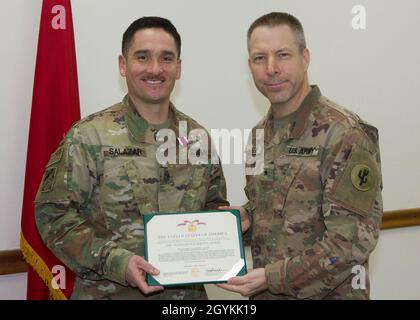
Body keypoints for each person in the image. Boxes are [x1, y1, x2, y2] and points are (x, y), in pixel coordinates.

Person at [35, 16, 229, 300]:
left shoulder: (198, 137)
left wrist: (230, 226)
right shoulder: (89, 136)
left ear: (178, 68)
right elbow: (51, 215)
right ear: (122, 65)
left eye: (166, 58)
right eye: (142, 57)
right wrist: (117, 262)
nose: (155, 69)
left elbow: (213, 206)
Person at [218, 12, 383, 300]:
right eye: (260, 58)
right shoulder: (260, 136)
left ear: (305, 57)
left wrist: (273, 277)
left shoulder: (344, 133)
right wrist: (247, 217)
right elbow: (281, 210)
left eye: (283, 55)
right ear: (250, 66)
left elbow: (352, 240)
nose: (271, 68)